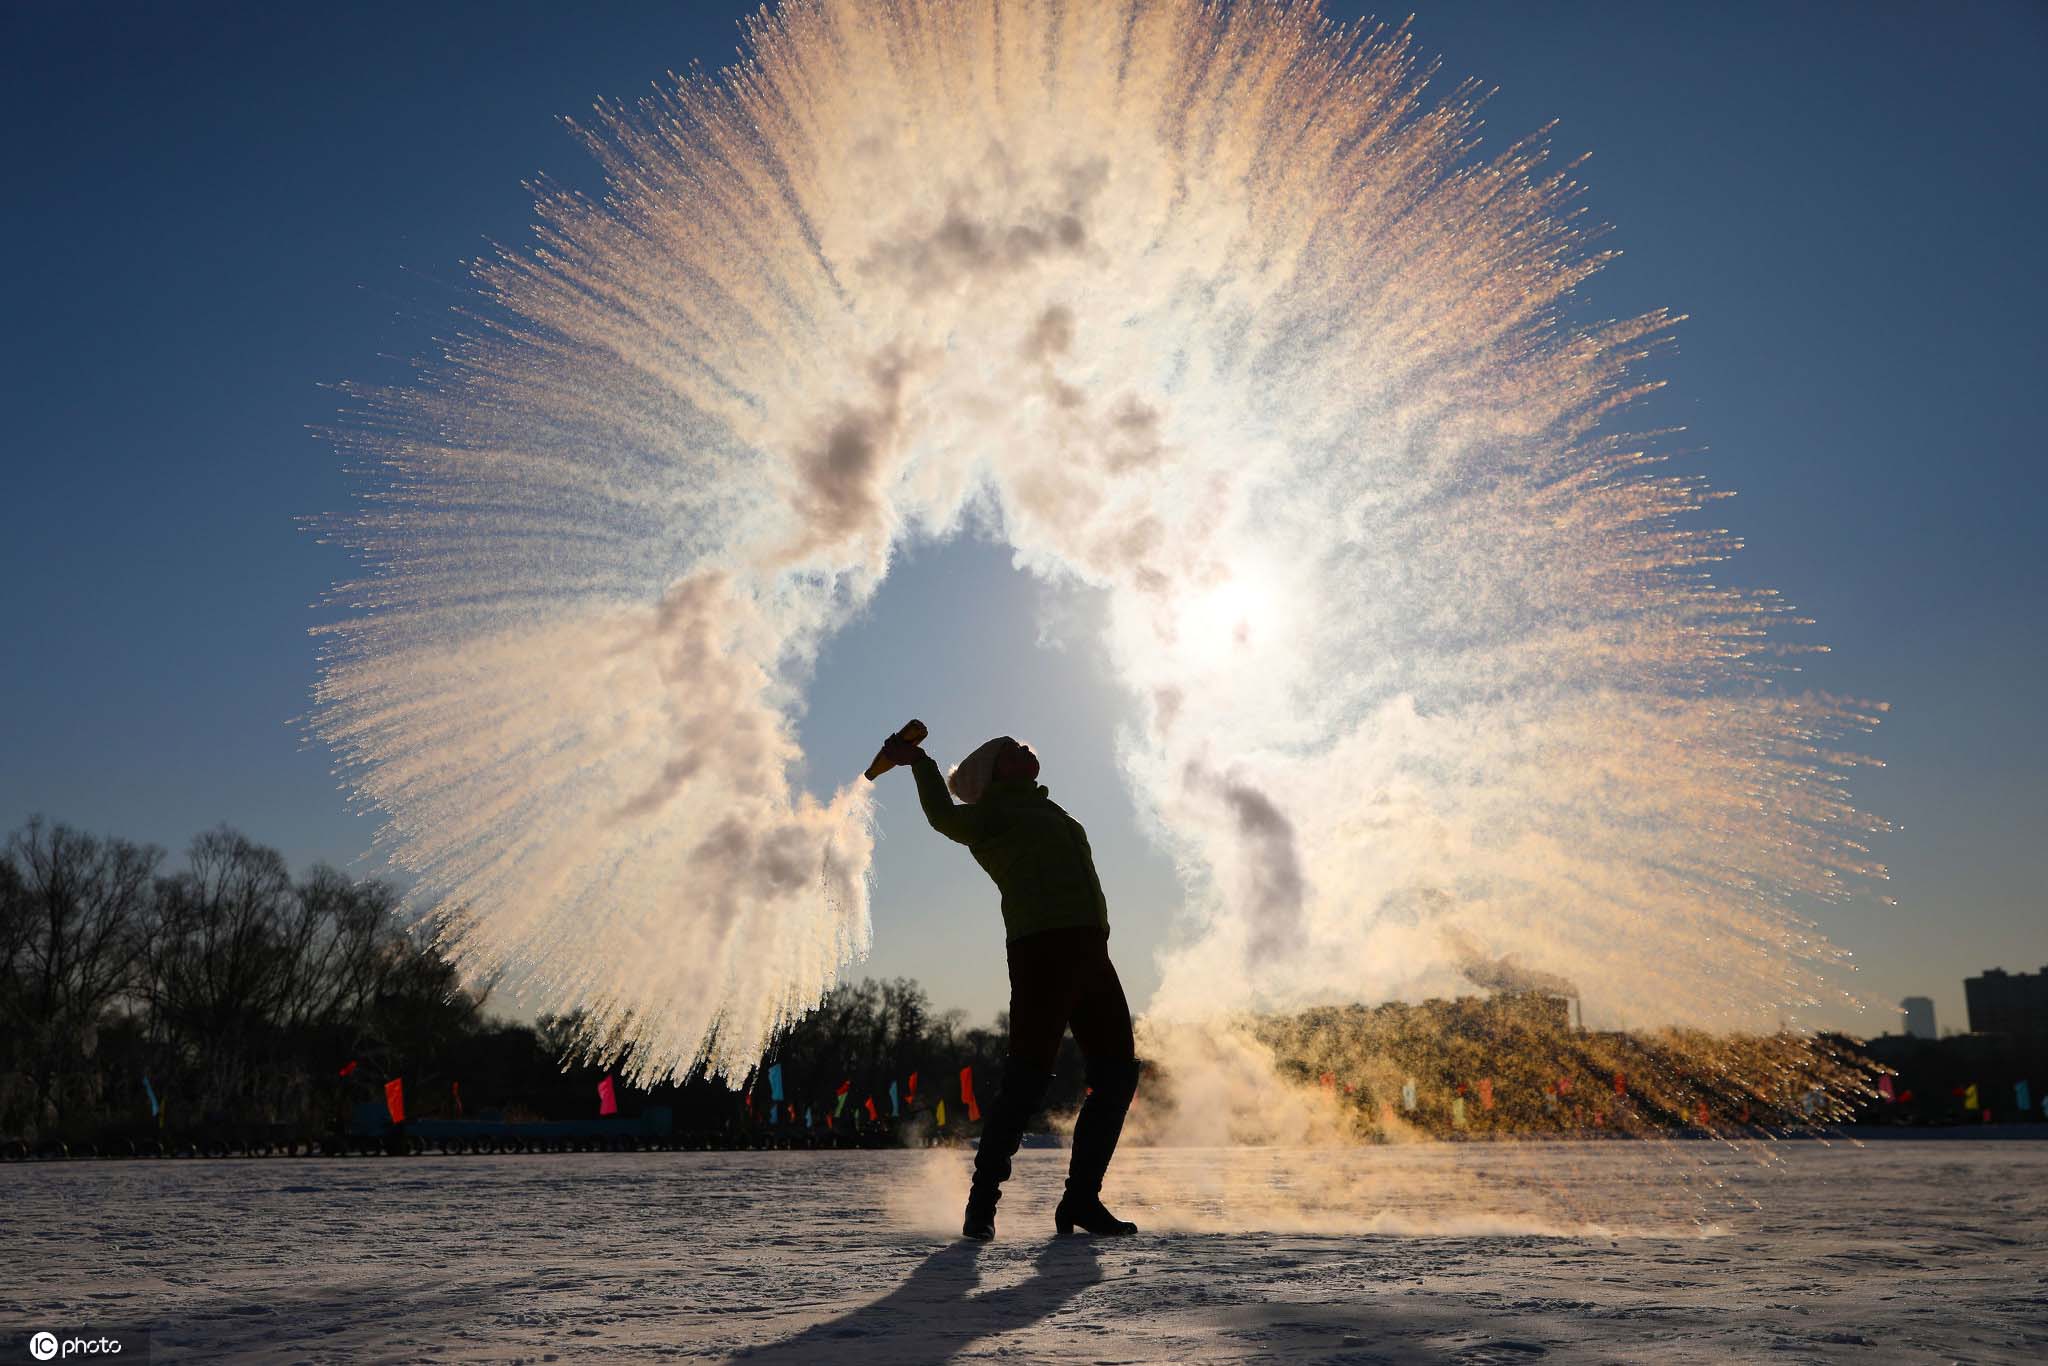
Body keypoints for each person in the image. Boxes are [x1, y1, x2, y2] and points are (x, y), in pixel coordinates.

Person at [877, 728, 1141, 1241]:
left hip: (1092, 952)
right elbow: (943, 817)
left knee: (1116, 1075)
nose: (1024, 747)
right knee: (1027, 1078)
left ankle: (1082, 1200)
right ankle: (982, 1205)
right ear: (992, 774)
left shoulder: (1048, 809)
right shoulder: (991, 815)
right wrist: (920, 764)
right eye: (1009, 749)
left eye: (1020, 745)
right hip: (1042, 952)